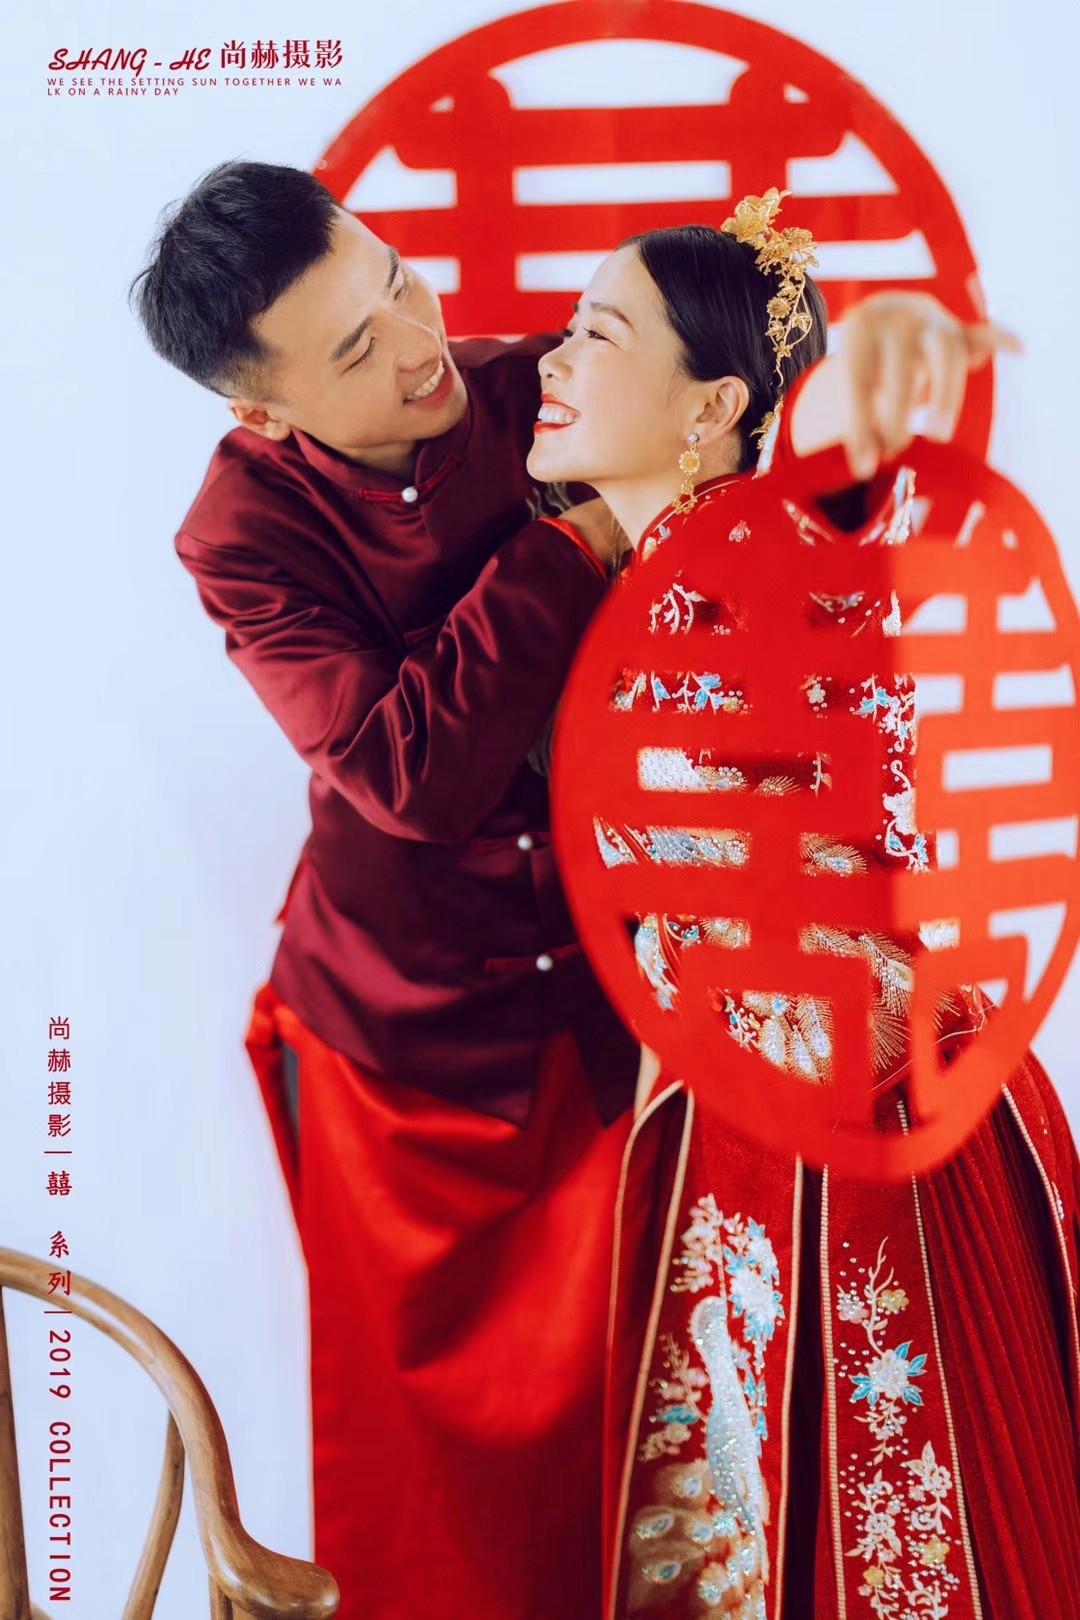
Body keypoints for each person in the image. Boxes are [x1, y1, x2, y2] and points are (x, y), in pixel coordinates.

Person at [526, 196, 1080, 1618]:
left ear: (715, 405)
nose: (553, 359)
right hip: (765, 1099)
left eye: (599, 334)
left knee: (880, 1525)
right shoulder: (665, 569)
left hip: (854, 1109)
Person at [132, 159, 642, 1620]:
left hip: (620, 1001)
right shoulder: (243, 531)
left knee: (660, 1428)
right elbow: (408, 774)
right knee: (434, 1490)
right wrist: (583, 536)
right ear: (264, 410)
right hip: (405, 1043)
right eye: (356, 349)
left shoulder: (546, 389)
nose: (422, 344)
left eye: (402, 280)